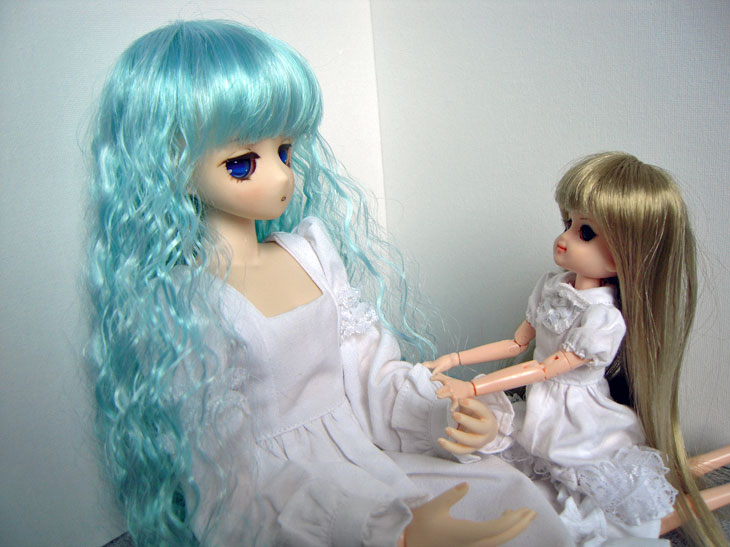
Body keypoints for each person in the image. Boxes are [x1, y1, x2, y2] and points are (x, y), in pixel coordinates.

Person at [85, 20, 572, 546]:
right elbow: (225, 481)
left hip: (368, 456)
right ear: (172, 163)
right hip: (292, 505)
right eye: (243, 163)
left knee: (506, 491)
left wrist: (441, 415)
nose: (281, 176)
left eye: (285, 151)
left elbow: (368, 376)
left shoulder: (310, 253)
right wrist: (370, 526)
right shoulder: (187, 303)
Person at [428, 152, 729, 545]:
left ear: (627, 256)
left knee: (628, 513)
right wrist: (455, 359)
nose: (565, 237)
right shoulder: (552, 286)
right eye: (568, 223)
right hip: (545, 405)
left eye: (586, 232)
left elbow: (546, 368)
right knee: (645, 481)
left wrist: (471, 387)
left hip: (579, 418)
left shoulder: (603, 318)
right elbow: (517, 343)